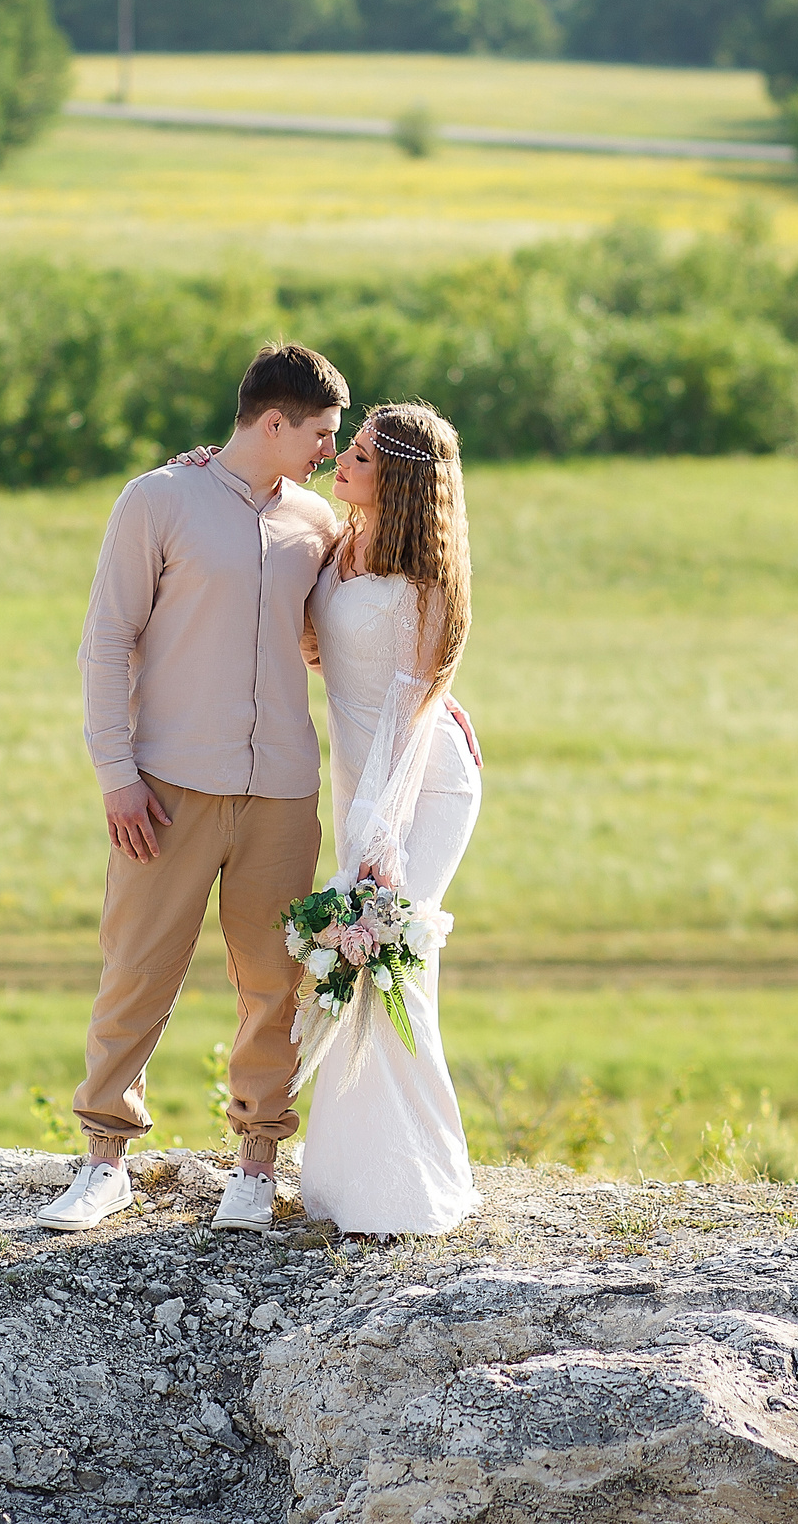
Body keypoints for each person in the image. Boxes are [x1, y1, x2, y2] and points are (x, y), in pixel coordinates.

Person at [37, 344, 347, 1235]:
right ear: (274, 422)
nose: (329, 449)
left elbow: (346, 640)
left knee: (276, 980)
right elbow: (105, 640)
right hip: (166, 789)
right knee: (137, 967)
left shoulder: (318, 522)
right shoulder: (158, 500)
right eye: (321, 433)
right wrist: (117, 774)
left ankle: (255, 1163)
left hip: (282, 791)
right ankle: (104, 1161)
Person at [294, 402, 484, 1237]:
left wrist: (380, 835)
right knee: (358, 971)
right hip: (360, 781)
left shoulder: (427, 577)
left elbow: (410, 706)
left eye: (361, 454)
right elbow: (331, 654)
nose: (342, 458)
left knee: (393, 967)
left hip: (419, 786)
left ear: (397, 476)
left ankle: (412, 1189)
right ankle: (342, 1181)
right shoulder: (341, 541)